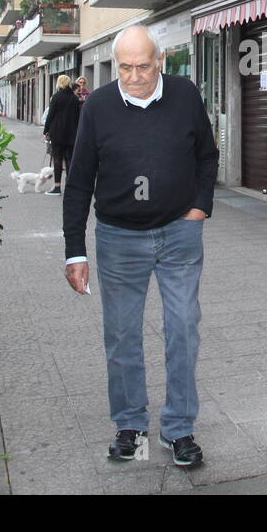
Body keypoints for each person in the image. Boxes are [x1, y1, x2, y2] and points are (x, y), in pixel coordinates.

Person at [62, 26, 219, 467]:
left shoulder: (186, 95)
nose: (133, 76)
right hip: (118, 238)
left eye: (143, 66)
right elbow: (78, 181)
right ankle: (129, 424)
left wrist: (199, 209)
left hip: (178, 234)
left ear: (161, 59)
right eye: (124, 67)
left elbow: (207, 155)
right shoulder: (97, 106)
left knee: (184, 328)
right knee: (122, 335)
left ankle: (179, 428)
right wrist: (75, 250)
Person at [42, 75, 79, 194]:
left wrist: (46, 131)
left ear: (59, 83)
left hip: (57, 132)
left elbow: (50, 115)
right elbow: (78, 117)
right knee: (69, 159)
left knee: (57, 159)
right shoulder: (74, 98)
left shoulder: (56, 97)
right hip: (72, 133)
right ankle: (70, 186)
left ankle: (57, 187)